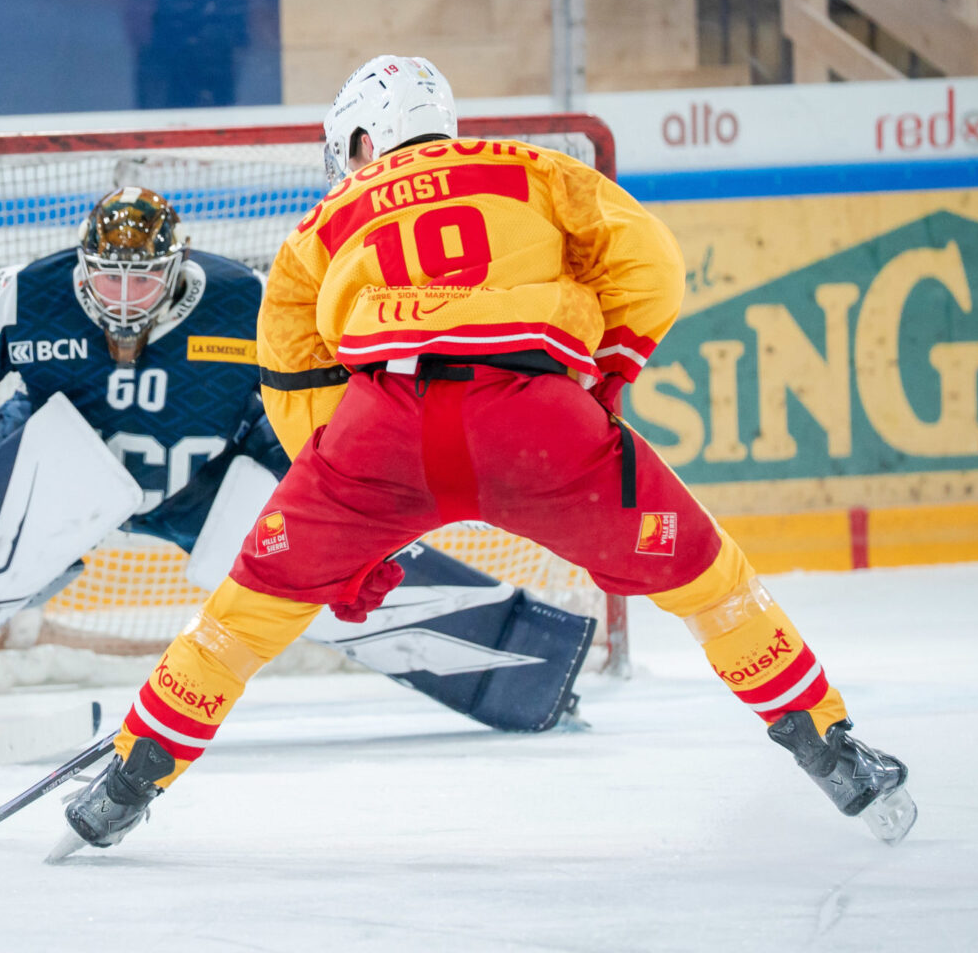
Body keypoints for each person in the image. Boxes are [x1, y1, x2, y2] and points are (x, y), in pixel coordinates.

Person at [60, 56, 916, 854]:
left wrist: (346, 524)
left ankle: (129, 782)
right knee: (709, 580)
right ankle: (830, 749)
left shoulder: (321, 224)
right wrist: (605, 376)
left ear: (365, 140)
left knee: (242, 620)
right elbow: (650, 262)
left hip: (380, 433)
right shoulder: (535, 170)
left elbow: (293, 378)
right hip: (537, 423)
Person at [0, 186, 598, 744]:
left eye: (144, 282)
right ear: (81, 262)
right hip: (65, 461)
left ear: (177, 267)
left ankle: (528, 674)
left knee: (341, 567)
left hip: (210, 478)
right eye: (107, 279)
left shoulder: (256, 301)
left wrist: (341, 503)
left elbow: (328, 394)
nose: (122, 300)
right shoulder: (26, 293)